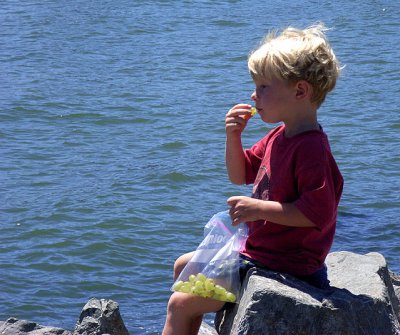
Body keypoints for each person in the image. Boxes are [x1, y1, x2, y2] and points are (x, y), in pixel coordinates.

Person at [162, 23, 343, 335]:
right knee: (182, 265)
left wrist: (258, 209)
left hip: (287, 265)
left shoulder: (311, 147)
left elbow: (317, 213)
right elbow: (239, 174)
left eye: (263, 87)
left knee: (179, 303)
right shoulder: (280, 135)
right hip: (261, 253)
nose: (253, 94)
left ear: (300, 90)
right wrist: (233, 137)